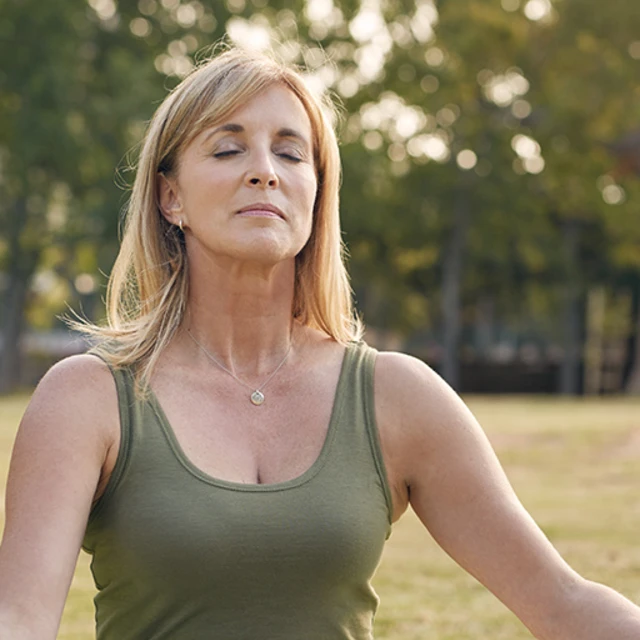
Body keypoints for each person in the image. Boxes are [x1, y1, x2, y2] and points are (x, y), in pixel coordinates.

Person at [0, 47, 639, 640]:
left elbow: (563, 602)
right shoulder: (87, 398)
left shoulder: (398, 396)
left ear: (316, 191)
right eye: (227, 150)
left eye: (290, 152)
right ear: (171, 198)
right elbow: (20, 621)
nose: (263, 173)